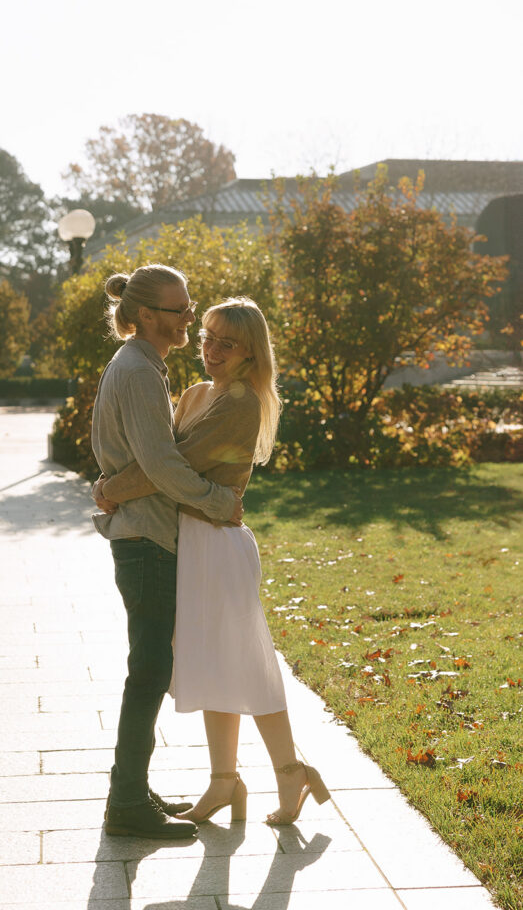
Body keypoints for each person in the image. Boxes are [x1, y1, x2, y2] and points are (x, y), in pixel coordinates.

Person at [95, 297, 331, 826]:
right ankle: (225, 781)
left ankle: (290, 769)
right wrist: (116, 485)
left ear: (251, 352)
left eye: (228, 342)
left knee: (245, 660)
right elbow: (162, 462)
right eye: (207, 336)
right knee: (211, 665)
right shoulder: (199, 394)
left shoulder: (241, 402)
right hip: (189, 540)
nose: (212, 349)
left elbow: (171, 469)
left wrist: (111, 488)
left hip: (218, 544)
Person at [91, 264, 243, 841]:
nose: (188, 318)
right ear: (147, 315)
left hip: (143, 532)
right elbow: (158, 464)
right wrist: (216, 499)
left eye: (188, 306)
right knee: (149, 669)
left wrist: (106, 488)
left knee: (150, 667)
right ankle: (126, 801)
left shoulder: (141, 365)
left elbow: (132, 458)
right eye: (180, 310)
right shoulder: (136, 370)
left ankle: (134, 788)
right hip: (147, 539)